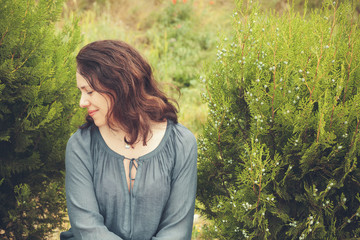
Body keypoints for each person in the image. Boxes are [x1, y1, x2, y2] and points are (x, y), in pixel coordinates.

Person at [60, 40, 197, 240]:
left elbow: (177, 231)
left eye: (89, 91)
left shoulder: (182, 143)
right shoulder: (80, 146)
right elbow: (87, 229)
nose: (82, 102)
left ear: (119, 86)